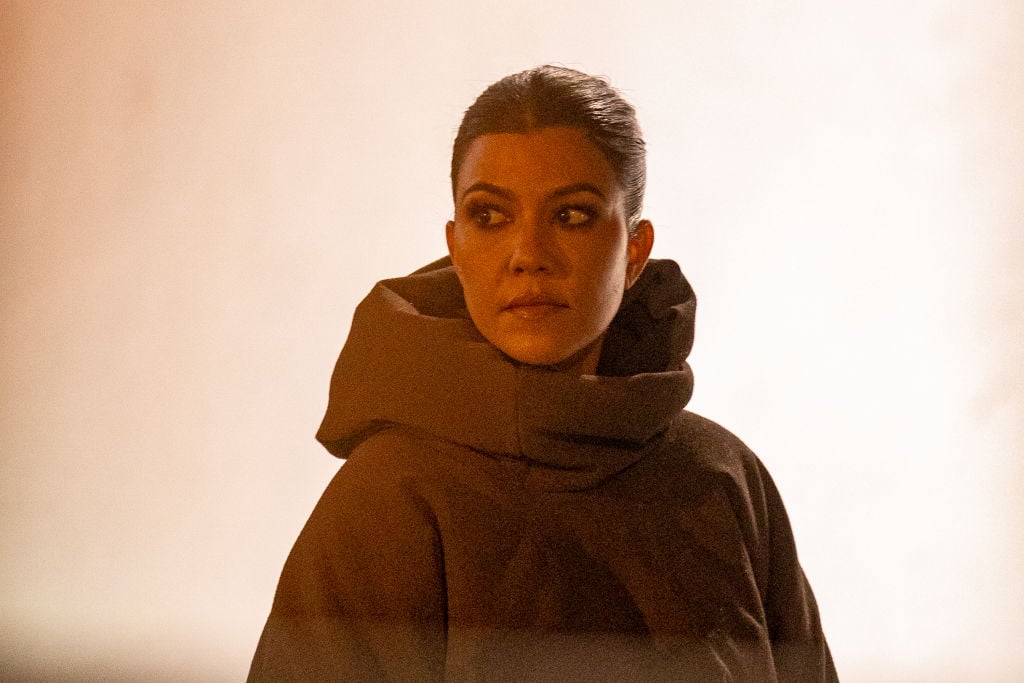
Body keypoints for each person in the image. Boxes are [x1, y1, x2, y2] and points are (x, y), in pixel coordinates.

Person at [248, 65, 838, 681]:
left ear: (635, 251)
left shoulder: (724, 481)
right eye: (490, 216)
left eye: (572, 215)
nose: (529, 255)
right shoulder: (385, 503)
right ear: (455, 247)